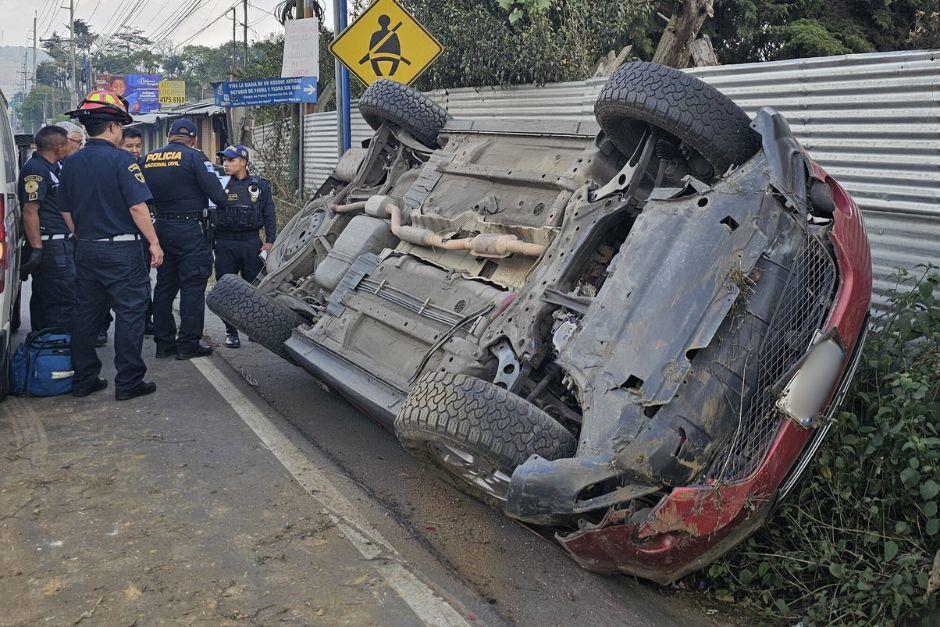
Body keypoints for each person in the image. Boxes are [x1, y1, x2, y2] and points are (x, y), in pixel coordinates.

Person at [59, 90, 163, 401]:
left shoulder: (72, 163)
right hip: (122, 251)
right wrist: (154, 242)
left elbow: (65, 211)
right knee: (130, 313)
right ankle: (129, 382)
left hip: (87, 249)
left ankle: (85, 379)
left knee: (86, 315)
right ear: (114, 128)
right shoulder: (122, 161)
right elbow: (137, 208)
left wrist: (84, 234)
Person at [142, 118, 226, 360]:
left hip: (161, 227)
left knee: (165, 286)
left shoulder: (148, 158)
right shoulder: (196, 157)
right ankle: (188, 343)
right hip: (191, 229)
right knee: (192, 285)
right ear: (193, 138)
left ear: (168, 136)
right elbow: (218, 195)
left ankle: (164, 343)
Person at [213, 145, 277, 348]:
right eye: (224, 160)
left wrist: (269, 241)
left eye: (231, 160)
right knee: (226, 288)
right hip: (224, 243)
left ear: (244, 162)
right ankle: (231, 332)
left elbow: (269, 213)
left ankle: (253, 329)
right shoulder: (218, 184)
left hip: (251, 243)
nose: (226, 164)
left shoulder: (260, 185)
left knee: (255, 288)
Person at [17, 126, 75, 331]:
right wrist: (37, 249)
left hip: (61, 243)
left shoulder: (53, 168)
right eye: (68, 143)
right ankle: (55, 352)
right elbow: (30, 211)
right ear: (59, 148)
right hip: (52, 245)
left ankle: (47, 349)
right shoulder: (36, 170)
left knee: (48, 298)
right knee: (60, 301)